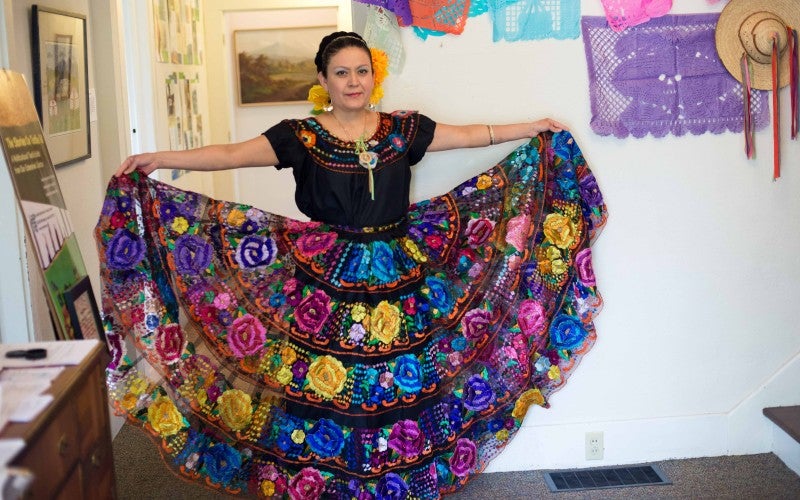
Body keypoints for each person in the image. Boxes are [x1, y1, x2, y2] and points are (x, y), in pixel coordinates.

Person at [100, 31, 606, 498]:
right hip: (322, 278)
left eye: (361, 71)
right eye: (341, 72)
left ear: (374, 75)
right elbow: (233, 153)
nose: (353, 81)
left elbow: (473, 135)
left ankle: (395, 481)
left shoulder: (403, 129)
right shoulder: (299, 135)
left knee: (396, 378)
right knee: (321, 380)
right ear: (323, 80)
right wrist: (164, 157)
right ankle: (322, 483)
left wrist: (534, 127)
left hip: (398, 268)